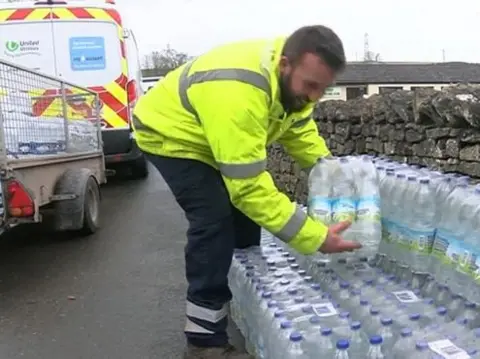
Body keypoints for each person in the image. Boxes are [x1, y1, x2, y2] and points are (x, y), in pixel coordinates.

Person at [131, 25, 362, 359]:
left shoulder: (290, 86)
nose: (314, 97)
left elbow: (298, 129)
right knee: (214, 219)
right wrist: (315, 237)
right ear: (285, 64)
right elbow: (249, 190)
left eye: (322, 90)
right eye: (310, 86)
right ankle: (204, 340)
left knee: (245, 222)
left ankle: (240, 296)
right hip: (173, 135)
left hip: (215, 134)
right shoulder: (239, 90)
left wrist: (330, 172)